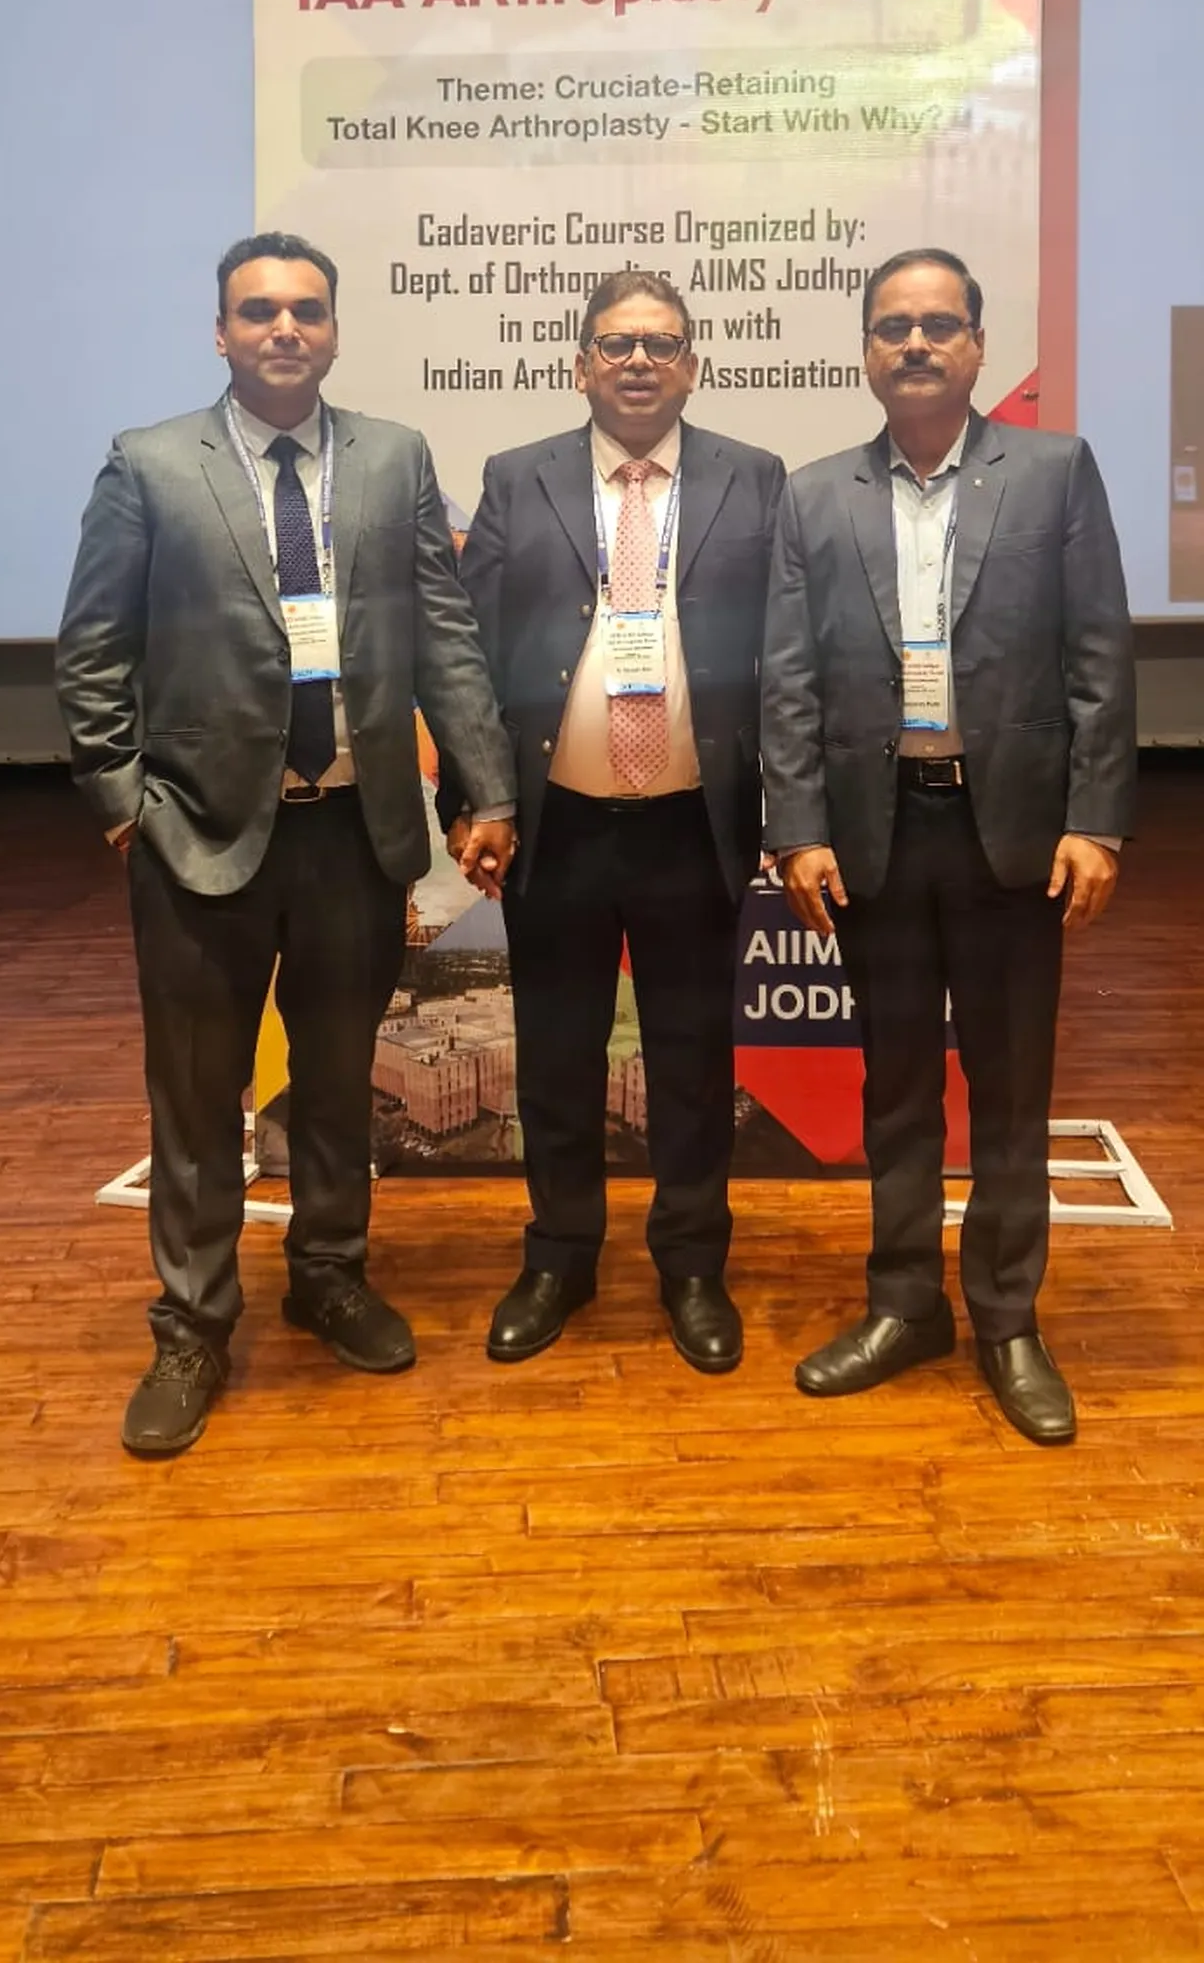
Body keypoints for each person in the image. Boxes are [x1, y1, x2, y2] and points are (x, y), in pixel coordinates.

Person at [56, 232, 515, 1457]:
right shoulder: (150, 463)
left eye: (305, 309)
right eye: (257, 310)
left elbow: (445, 636)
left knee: (335, 1079)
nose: (283, 328)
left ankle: (328, 1275)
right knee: (198, 1097)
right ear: (220, 332)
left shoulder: (393, 458)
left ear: (333, 330)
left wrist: (485, 788)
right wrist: (123, 803)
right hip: (198, 839)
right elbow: (92, 650)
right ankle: (191, 1325)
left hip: (354, 836)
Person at [762, 247, 1136, 1444]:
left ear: (975, 345)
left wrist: (1093, 818)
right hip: (875, 833)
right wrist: (796, 827)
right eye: (892, 326)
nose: (914, 343)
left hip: (1011, 834)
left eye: (937, 324)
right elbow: (786, 678)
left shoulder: (1052, 471)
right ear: (864, 351)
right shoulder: (812, 494)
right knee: (895, 1088)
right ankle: (903, 1304)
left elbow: (1096, 658)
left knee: (1011, 1087)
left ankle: (1007, 1319)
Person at [445, 271, 784, 1373]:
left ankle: (691, 1265)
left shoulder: (752, 476)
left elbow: (788, 656)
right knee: (556, 1054)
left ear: (693, 364)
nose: (639, 360)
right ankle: (559, 1257)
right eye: (616, 343)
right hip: (560, 827)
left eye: (661, 343)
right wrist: (477, 799)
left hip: (694, 822)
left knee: (690, 1058)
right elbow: (470, 654)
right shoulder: (519, 476)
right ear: (580, 364)